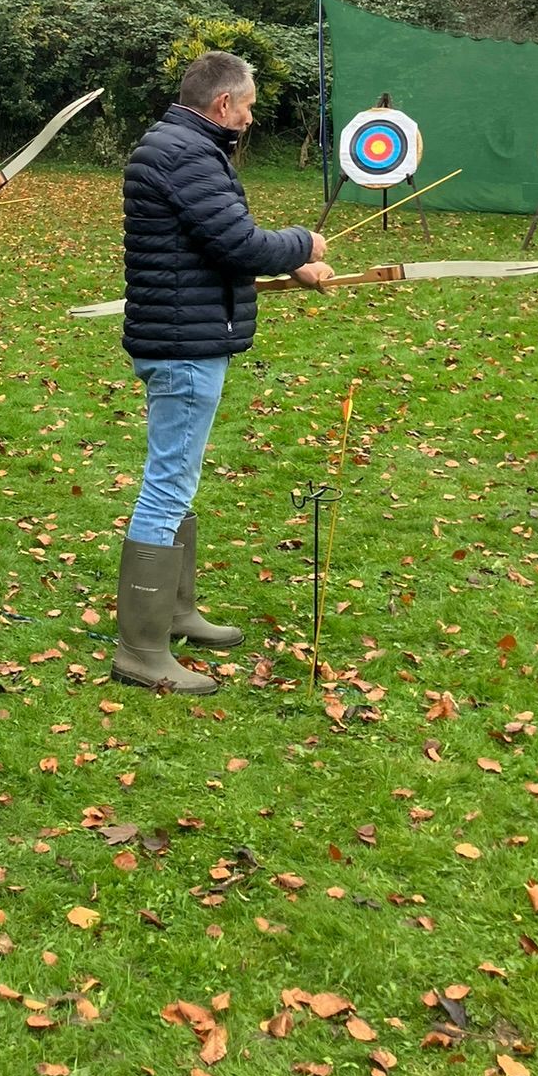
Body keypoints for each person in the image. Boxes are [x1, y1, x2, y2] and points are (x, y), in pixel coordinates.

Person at [115, 50, 333, 693]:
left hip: (181, 335)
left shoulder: (179, 145)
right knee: (166, 486)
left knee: (177, 479)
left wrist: (286, 263)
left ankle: (176, 612)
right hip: (183, 345)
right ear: (221, 106)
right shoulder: (188, 153)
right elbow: (238, 242)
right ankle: (141, 651)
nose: (250, 118)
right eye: (249, 108)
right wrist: (304, 245)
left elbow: (215, 238)